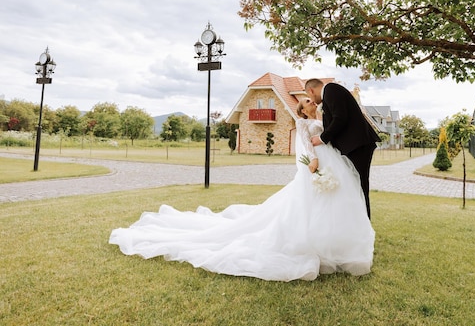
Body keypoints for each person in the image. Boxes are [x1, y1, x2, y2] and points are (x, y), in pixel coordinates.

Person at [109, 97, 374, 282]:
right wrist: (313, 163)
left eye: (310, 99)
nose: (311, 102)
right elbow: (305, 145)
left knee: (329, 207)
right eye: (307, 102)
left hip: (331, 169)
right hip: (317, 170)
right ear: (302, 111)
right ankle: (314, 245)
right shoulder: (305, 124)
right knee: (309, 209)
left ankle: (333, 244)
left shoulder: (325, 120)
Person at [305, 78, 381, 218]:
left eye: (309, 96)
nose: (312, 100)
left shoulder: (331, 89)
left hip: (358, 146)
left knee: (360, 185)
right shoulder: (329, 94)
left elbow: (340, 118)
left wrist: (321, 138)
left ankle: (364, 224)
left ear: (311, 90)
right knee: (354, 185)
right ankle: (358, 221)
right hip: (353, 146)